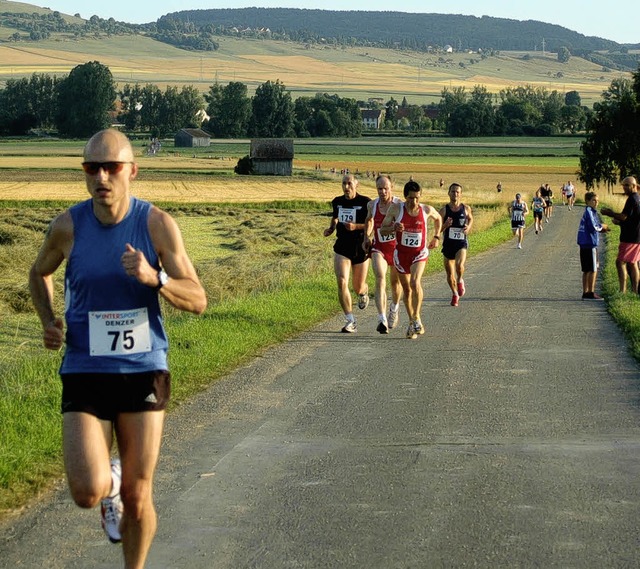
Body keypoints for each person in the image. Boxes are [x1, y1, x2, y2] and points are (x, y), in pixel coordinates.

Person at [28, 129, 207, 569]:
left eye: (112, 167)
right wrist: (49, 321)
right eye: (92, 167)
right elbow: (38, 274)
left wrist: (156, 279)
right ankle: (109, 481)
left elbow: (198, 298)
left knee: (139, 493)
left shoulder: (156, 224)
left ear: (132, 171)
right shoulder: (68, 226)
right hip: (85, 367)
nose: (102, 176)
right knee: (87, 491)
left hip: (143, 368)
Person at [381, 180, 442, 339]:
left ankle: (417, 318)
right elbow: (383, 229)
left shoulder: (426, 209)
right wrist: (393, 227)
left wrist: (436, 236)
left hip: (419, 253)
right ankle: (411, 321)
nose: (413, 202)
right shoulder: (396, 209)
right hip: (401, 255)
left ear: (420, 196)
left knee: (415, 282)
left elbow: (438, 219)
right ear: (405, 197)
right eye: (410, 198)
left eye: (416, 198)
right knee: (406, 289)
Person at [324, 174, 371, 333]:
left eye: (349, 183)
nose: (346, 187)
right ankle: (350, 320)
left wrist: (356, 227)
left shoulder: (365, 203)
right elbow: (335, 217)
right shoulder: (337, 201)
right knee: (342, 281)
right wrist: (331, 228)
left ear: (356, 185)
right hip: (342, 246)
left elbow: (370, 225)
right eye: (344, 183)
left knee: (357, 287)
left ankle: (364, 292)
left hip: (360, 246)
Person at [363, 174, 403, 333]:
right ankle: (382, 319)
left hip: (397, 249)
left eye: (385, 188)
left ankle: (394, 308)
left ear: (391, 188)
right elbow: (369, 220)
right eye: (379, 188)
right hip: (379, 247)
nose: (382, 191)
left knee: (395, 283)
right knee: (380, 277)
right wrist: (367, 236)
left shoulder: (400, 205)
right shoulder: (372, 205)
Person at [601, 176, 640, 294]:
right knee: (633, 263)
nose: (624, 187)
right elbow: (632, 219)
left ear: (634, 186)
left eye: (627, 185)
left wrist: (610, 213)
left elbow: (624, 216)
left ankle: (622, 290)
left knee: (620, 262)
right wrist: (620, 223)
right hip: (636, 235)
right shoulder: (637, 198)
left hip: (630, 237)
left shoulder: (632, 199)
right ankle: (635, 290)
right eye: (623, 185)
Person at [439, 182, 473, 307]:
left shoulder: (466, 208)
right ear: (449, 193)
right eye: (453, 191)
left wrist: (468, 227)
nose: (455, 194)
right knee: (449, 273)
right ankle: (454, 294)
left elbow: (470, 218)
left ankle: (460, 280)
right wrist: (445, 225)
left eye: (458, 192)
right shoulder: (444, 210)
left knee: (459, 265)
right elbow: (438, 230)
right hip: (448, 244)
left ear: (461, 194)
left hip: (461, 243)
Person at [577, 191, 609, 299]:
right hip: (590, 243)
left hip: (584, 243)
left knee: (586, 269)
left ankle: (585, 292)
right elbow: (593, 226)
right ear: (587, 201)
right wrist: (602, 226)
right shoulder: (589, 211)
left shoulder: (589, 212)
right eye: (594, 200)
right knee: (593, 269)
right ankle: (590, 292)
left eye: (597, 200)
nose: (596, 203)